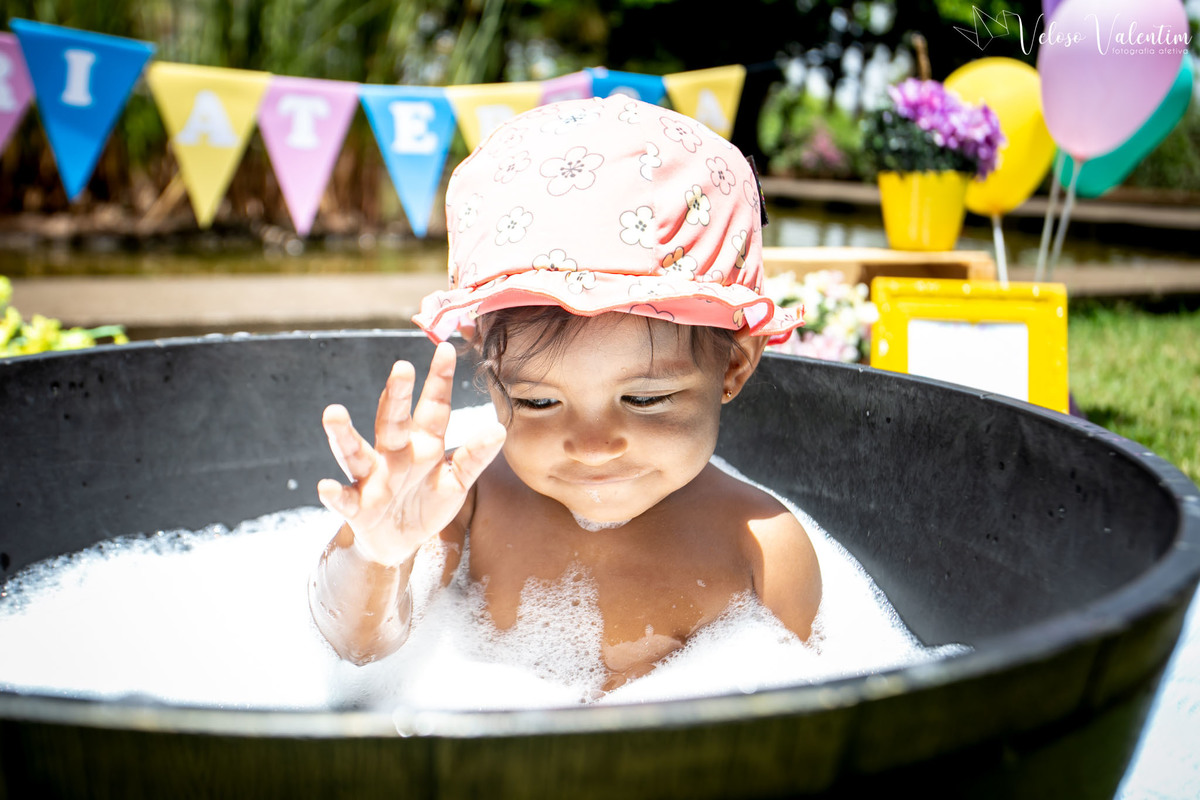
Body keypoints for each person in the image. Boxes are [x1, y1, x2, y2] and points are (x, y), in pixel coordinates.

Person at [309, 95, 821, 691]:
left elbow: (795, 721)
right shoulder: (463, 504)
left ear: (733, 365)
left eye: (645, 399)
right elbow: (360, 648)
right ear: (492, 375)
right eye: (538, 402)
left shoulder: (762, 549)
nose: (593, 446)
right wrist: (375, 554)